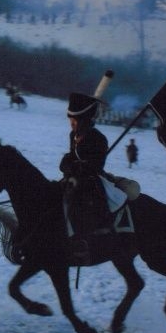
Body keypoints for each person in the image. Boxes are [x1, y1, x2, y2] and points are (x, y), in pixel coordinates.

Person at [59, 92, 111, 262]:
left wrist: (78, 166)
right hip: (72, 178)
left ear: (84, 119)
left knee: (78, 202)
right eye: (70, 119)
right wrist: (68, 165)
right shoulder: (72, 135)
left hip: (91, 181)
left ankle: (82, 240)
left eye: (74, 119)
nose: (71, 123)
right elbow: (69, 158)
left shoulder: (99, 139)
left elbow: (96, 166)